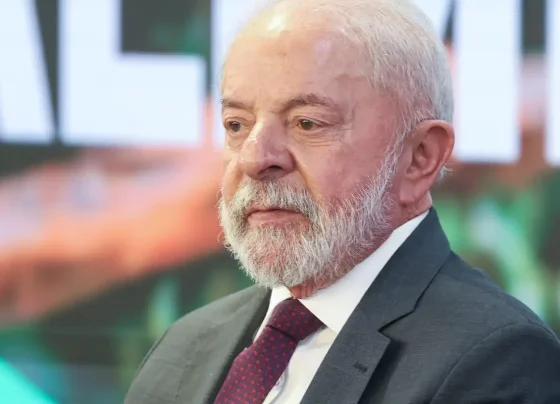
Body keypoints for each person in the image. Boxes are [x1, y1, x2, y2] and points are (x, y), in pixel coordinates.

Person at [125, 0, 560, 403]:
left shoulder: (496, 357)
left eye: (307, 123)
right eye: (236, 124)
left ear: (420, 157)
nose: (255, 159)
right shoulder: (183, 346)